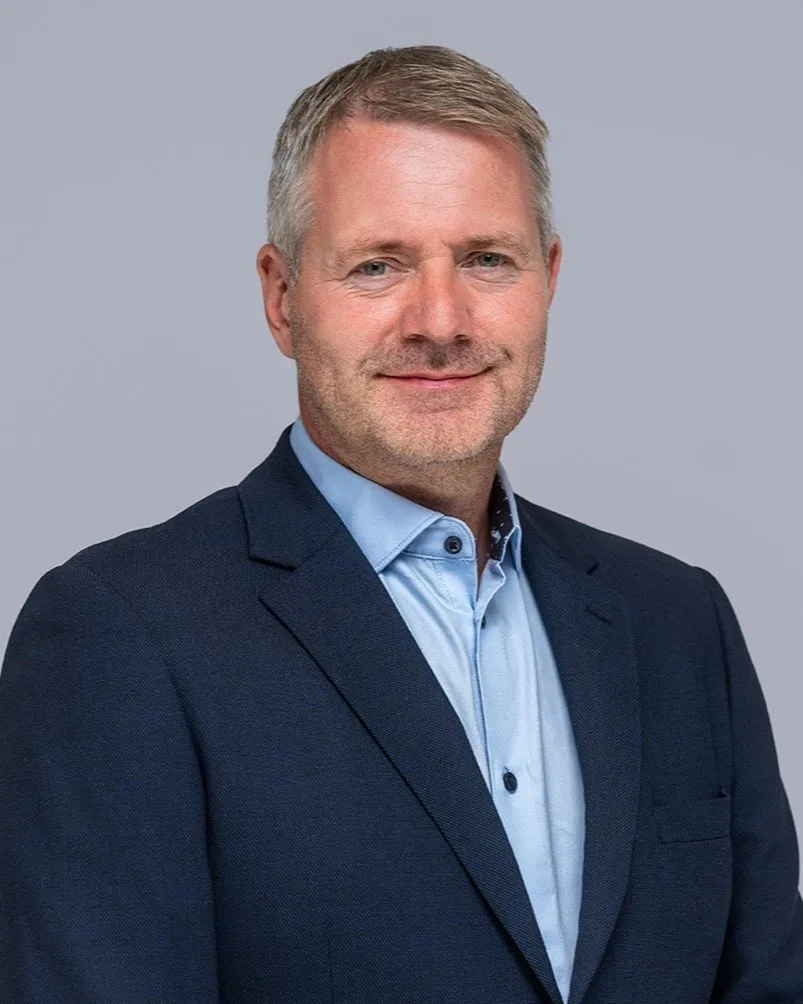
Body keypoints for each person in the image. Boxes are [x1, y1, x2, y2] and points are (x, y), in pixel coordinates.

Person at [0, 43, 801, 1004]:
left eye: (486, 259)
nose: (440, 318)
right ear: (282, 296)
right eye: (377, 266)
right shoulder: (119, 636)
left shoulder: (679, 620)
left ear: (546, 279)